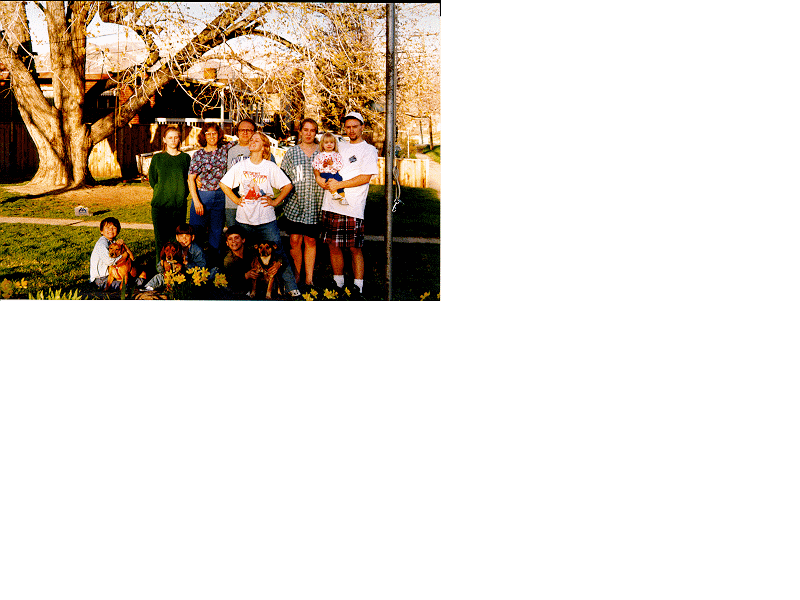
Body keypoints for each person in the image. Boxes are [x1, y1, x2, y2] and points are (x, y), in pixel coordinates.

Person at [219, 131, 300, 298]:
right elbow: (224, 183)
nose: (252, 141)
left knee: (279, 254)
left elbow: (287, 186)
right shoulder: (241, 165)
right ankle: (247, 288)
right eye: (251, 139)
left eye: (256, 140)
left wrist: (275, 202)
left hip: (266, 220)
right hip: (244, 219)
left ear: (264, 146)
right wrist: (236, 199)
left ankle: (292, 288)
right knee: (246, 255)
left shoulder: (269, 167)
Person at [317, 111, 379, 294]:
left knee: (354, 248)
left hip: (353, 206)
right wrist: (319, 179)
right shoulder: (339, 146)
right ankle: (338, 283)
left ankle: (358, 286)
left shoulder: (369, 150)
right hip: (331, 204)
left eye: (355, 126)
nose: (351, 130)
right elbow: (320, 162)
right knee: (333, 246)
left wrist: (339, 185)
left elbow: (365, 177)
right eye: (348, 126)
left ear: (362, 127)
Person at [280, 117, 324, 291]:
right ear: (300, 131)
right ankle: (297, 275)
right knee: (295, 239)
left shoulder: (322, 153)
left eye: (312, 130)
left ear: (316, 133)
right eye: (305, 130)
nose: (308, 133)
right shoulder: (292, 152)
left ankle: (309, 278)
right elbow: (282, 176)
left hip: (315, 202)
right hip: (295, 203)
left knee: (311, 240)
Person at [188, 122, 236, 266]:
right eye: (207, 133)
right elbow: (190, 179)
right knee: (196, 233)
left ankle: (214, 267)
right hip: (203, 196)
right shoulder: (199, 154)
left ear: (219, 134)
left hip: (220, 196)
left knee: (216, 232)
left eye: (214, 133)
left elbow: (239, 140)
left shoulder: (225, 149)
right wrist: (196, 201)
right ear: (203, 136)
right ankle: (195, 266)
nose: (211, 136)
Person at [148, 125, 191, 264]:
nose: (173, 140)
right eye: (170, 137)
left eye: (176, 137)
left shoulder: (185, 158)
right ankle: (160, 270)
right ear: (164, 140)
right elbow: (153, 180)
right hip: (160, 207)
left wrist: (180, 193)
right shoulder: (157, 158)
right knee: (161, 240)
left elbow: (189, 180)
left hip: (178, 206)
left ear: (180, 139)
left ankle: (176, 272)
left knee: (176, 241)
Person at [225, 118, 278, 228]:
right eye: (242, 130)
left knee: (255, 240)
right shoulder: (230, 151)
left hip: (256, 205)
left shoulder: (263, 151)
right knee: (234, 238)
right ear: (237, 132)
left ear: (254, 132)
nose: (245, 133)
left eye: (249, 130)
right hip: (232, 203)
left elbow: (272, 177)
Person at [220, 224, 280, 298]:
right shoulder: (228, 260)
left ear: (243, 240)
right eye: (230, 239)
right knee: (228, 287)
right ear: (227, 243)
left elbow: (276, 254)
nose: (233, 241)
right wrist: (245, 276)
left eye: (236, 238)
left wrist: (279, 263)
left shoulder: (252, 250)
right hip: (239, 284)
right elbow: (230, 278)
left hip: (258, 281)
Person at [144, 223, 206, 291]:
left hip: (188, 276)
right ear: (177, 237)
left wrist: (187, 263)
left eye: (187, 236)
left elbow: (202, 267)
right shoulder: (175, 248)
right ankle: (147, 288)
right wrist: (162, 264)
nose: (184, 239)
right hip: (171, 275)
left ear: (192, 237)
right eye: (181, 236)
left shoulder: (197, 251)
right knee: (159, 277)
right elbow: (160, 270)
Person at [89, 217, 143, 289]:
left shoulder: (113, 244)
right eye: (107, 227)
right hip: (100, 280)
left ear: (118, 231)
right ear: (101, 231)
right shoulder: (102, 243)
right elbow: (109, 261)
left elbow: (132, 258)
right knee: (130, 284)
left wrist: (124, 245)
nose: (111, 230)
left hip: (110, 276)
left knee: (130, 281)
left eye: (114, 228)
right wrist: (124, 256)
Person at [313, 132, 347, 204]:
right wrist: (323, 166)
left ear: (335, 144)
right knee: (330, 179)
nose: (329, 144)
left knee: (339, 179)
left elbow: (339, 166)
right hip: (325, 174)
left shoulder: (336, 155)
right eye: (326, 142)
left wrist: (332, 164)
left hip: (334, 173)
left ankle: (342, 196)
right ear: (322, 144)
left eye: (331, 142)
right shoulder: (320, 155)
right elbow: (315, 166)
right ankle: (334, 193)